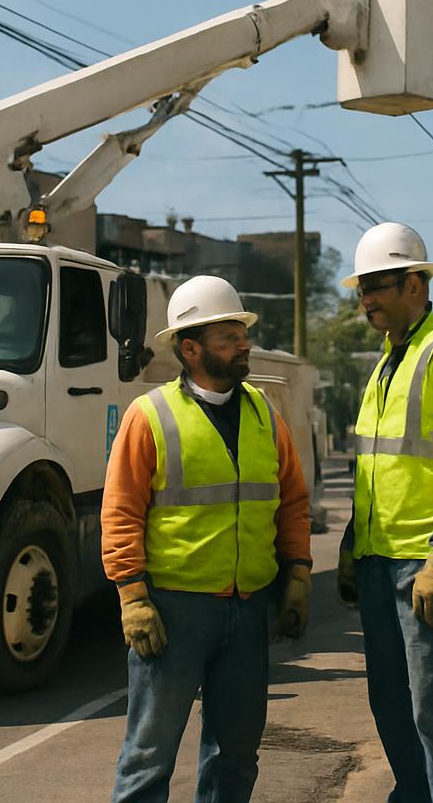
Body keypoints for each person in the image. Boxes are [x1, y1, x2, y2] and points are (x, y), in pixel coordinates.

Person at [103, 274, 313, 803]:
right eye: (229, 337)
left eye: (242, 335)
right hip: (174, 611)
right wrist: (132, 596)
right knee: (149, 755)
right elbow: (121, 511)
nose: (244, 346)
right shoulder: (149, 416)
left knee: (237, 754)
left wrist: (300, 575)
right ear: (190, 348)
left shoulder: (266, 413)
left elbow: (291, 502)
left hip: (247, 612)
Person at [338, 222, 433, 802]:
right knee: (391, 702)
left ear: (414, 283)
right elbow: (376, 470)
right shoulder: (386, 364)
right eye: (361, 290)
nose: (366, 300)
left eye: (376, 286)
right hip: (382, 561)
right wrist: (354, 544)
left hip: (428, 566)